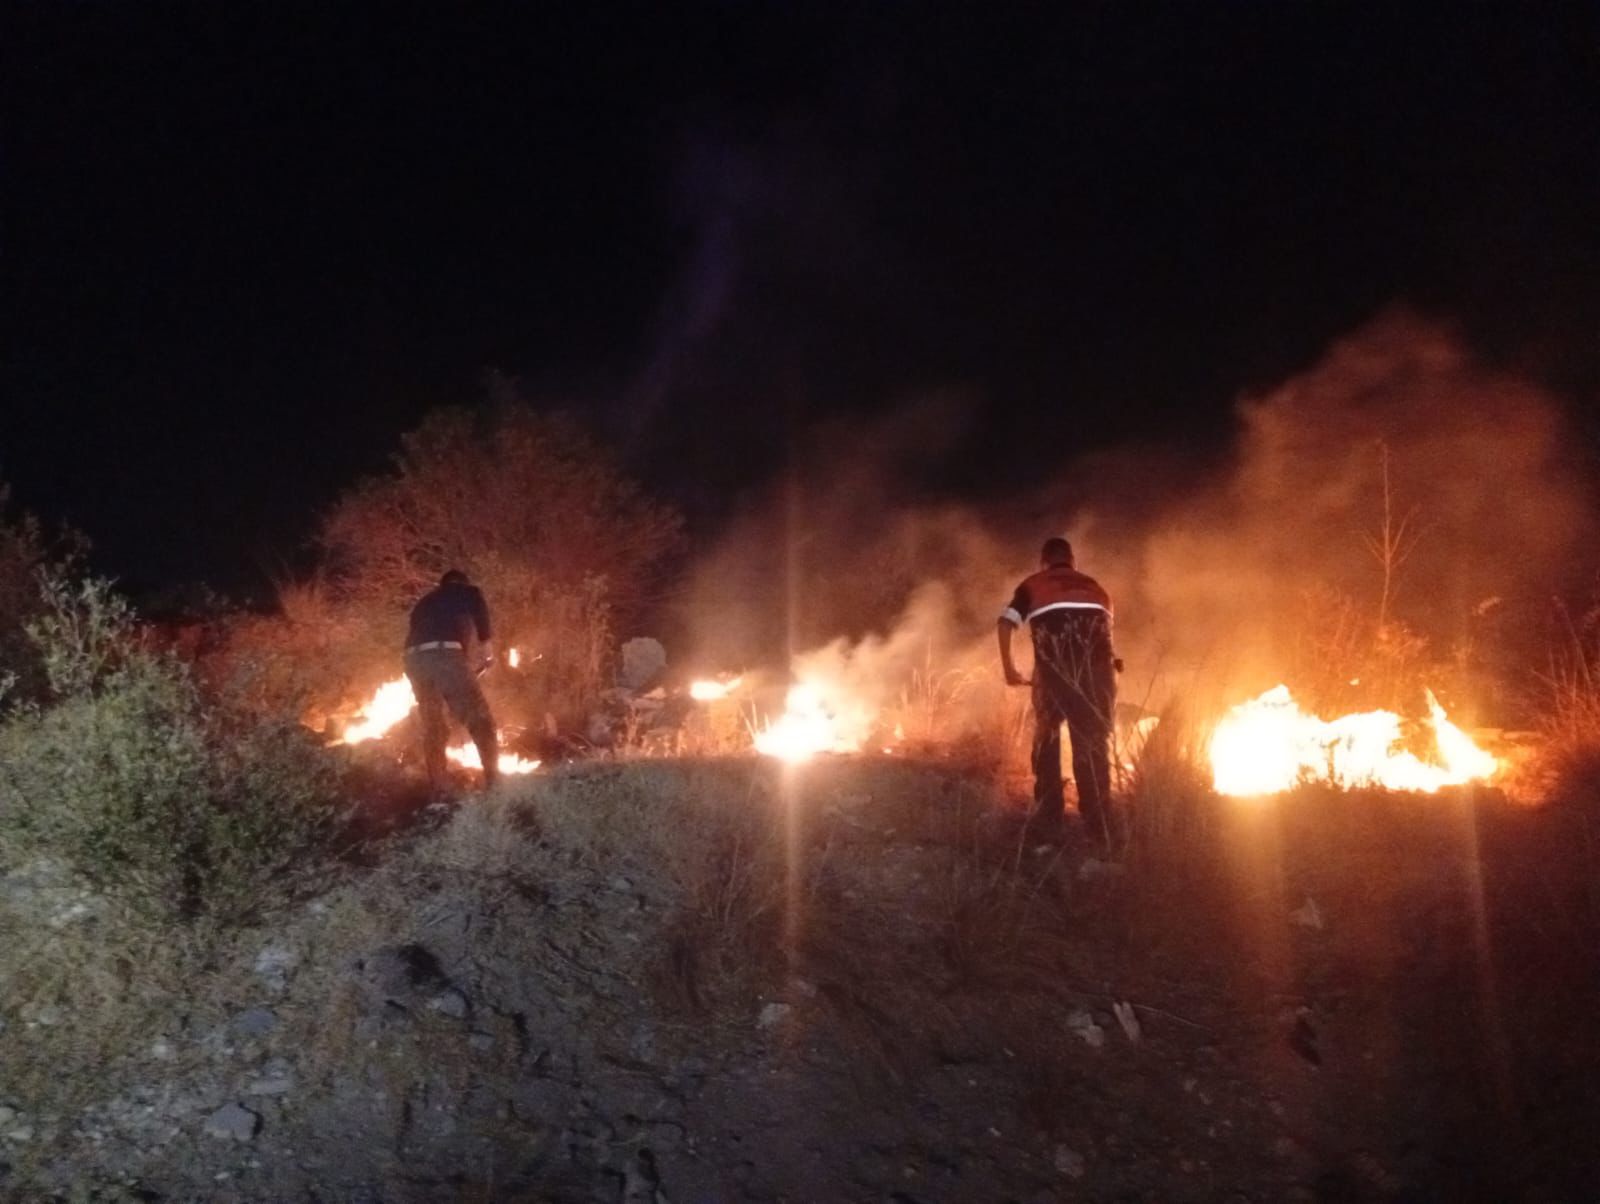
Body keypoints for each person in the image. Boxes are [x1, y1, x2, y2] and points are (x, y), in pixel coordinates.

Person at [997, 537, 1121, 847]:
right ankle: (1098, 826)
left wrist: (1009, 669)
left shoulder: (1034, 584)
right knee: (1092, 748)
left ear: (1044, 561)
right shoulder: (1098, 588)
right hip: (1098, 678)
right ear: (1072, 561)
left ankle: (1049, 817)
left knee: (1047, 740)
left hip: (1054, 676)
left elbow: (1005, 623)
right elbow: (1105, 639)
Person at [403, 569, 499, 791]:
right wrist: (487, 648)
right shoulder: (467, 592)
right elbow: (478, 610)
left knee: (433, 724)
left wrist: (461, 666)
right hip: (443, 656)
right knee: (480, 719)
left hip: (413, 660)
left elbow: (432, 636)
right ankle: (495, 786)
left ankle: (438, 786)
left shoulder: (424, 603)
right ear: (460, 584)